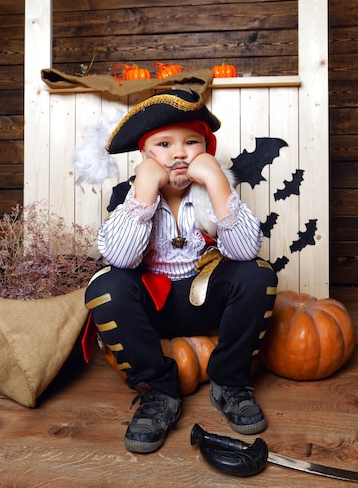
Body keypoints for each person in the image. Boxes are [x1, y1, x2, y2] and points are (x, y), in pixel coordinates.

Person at [85, 89, 278, 454]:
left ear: (206, 148)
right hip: (151, 312)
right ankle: (158, 392)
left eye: (191, 142)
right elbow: (122, 259)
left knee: (258, 274)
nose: (178, 153)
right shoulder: (130, 197)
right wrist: (144, 189)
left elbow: (244, 251)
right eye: (164, 144)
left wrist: (219, 182)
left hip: (204, 300)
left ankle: (230, 383)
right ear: (145, 155)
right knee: (106, 287)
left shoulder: (211, 193)